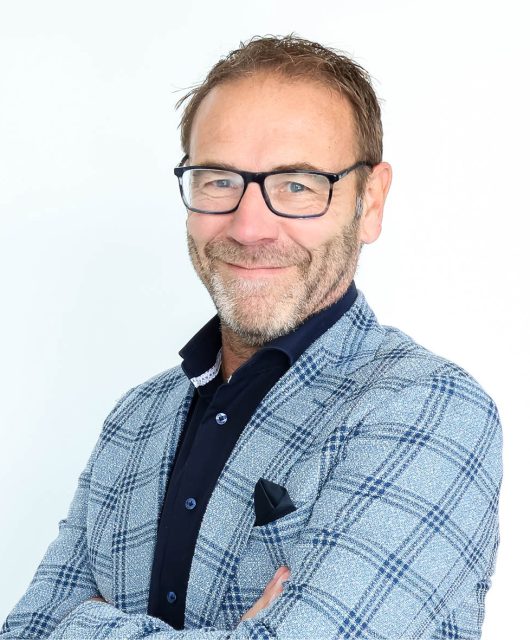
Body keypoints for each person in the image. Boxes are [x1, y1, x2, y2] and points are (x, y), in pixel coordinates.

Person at [0, 34, 502, 640]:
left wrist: (82, 624)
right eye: (218, 180)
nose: (249, 227)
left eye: (298, 184)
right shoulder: (135, 419)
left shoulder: (429, 410)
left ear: (369, 202)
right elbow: (25, 629)